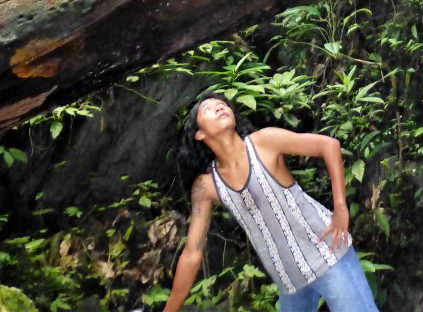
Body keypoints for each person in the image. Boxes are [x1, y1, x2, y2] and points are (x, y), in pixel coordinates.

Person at [160, 91, 380, 312]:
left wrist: (340, 207)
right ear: (199, 134)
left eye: (222, 105)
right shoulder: (206, 186)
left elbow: (329, 145)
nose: (219, 107)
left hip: (328, 254)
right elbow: (192, 253)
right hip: (289, 281)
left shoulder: (265, 142)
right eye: (208, 109)